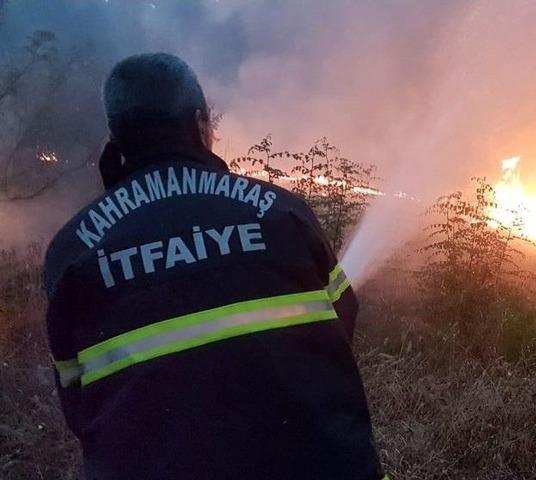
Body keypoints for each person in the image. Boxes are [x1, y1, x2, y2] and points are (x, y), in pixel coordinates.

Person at [43, 53, 385, 480]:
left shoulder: (73, 252)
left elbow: (77, 397)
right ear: (202, 123)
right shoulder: (284, 214)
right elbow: (341, 322)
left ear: (115, 137)